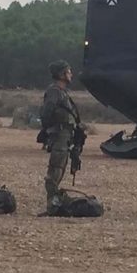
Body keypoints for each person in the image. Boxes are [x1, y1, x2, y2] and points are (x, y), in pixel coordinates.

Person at [40, 60, 82, 210]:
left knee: (61, 167)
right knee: (55, 168)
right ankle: (52, 203)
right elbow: (46, 113)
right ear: (61, 74)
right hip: (59, 134)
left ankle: (56, 199)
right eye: (68, 71)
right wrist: (51, 129)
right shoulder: (54, 92)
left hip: (65, 135)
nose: (71, 74)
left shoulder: (62, 92)